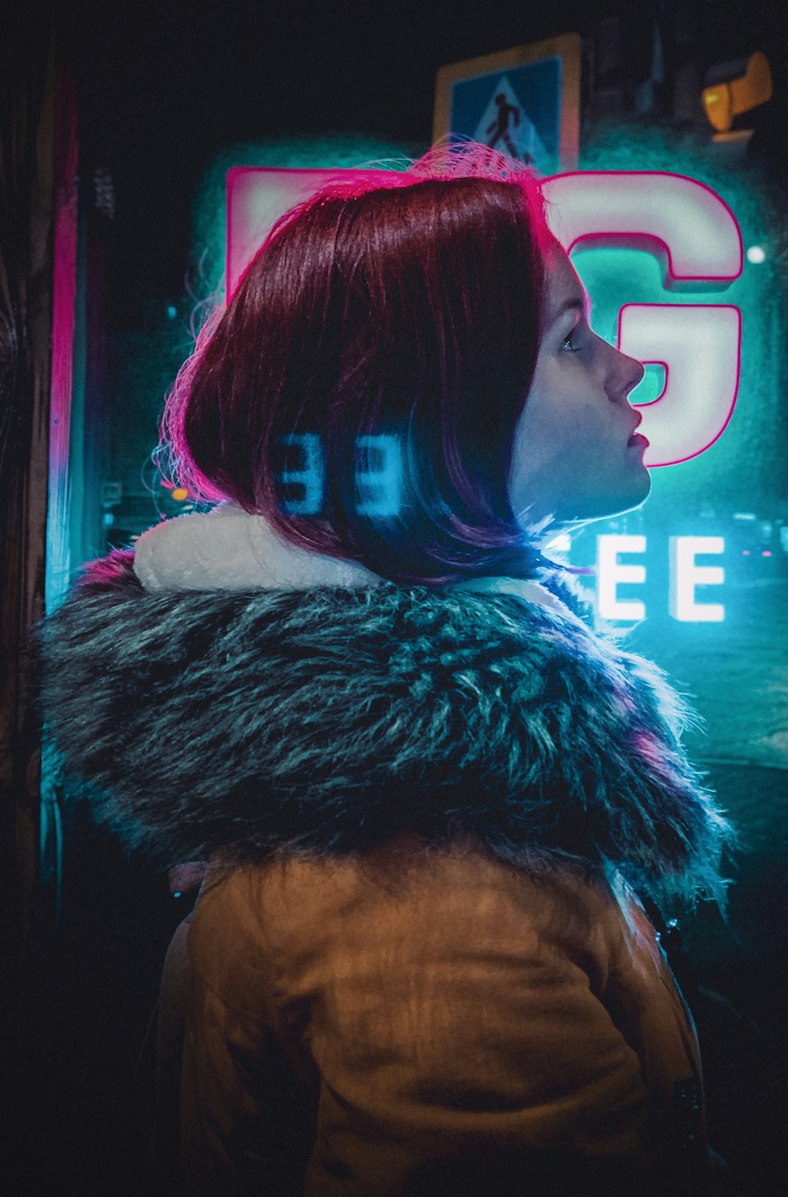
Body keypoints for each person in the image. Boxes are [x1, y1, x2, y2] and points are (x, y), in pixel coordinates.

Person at [41, 144, 732, 1195]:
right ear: (433, 406)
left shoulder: (372, 781)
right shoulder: (438, 880)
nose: (628, 368)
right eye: (569, 339)